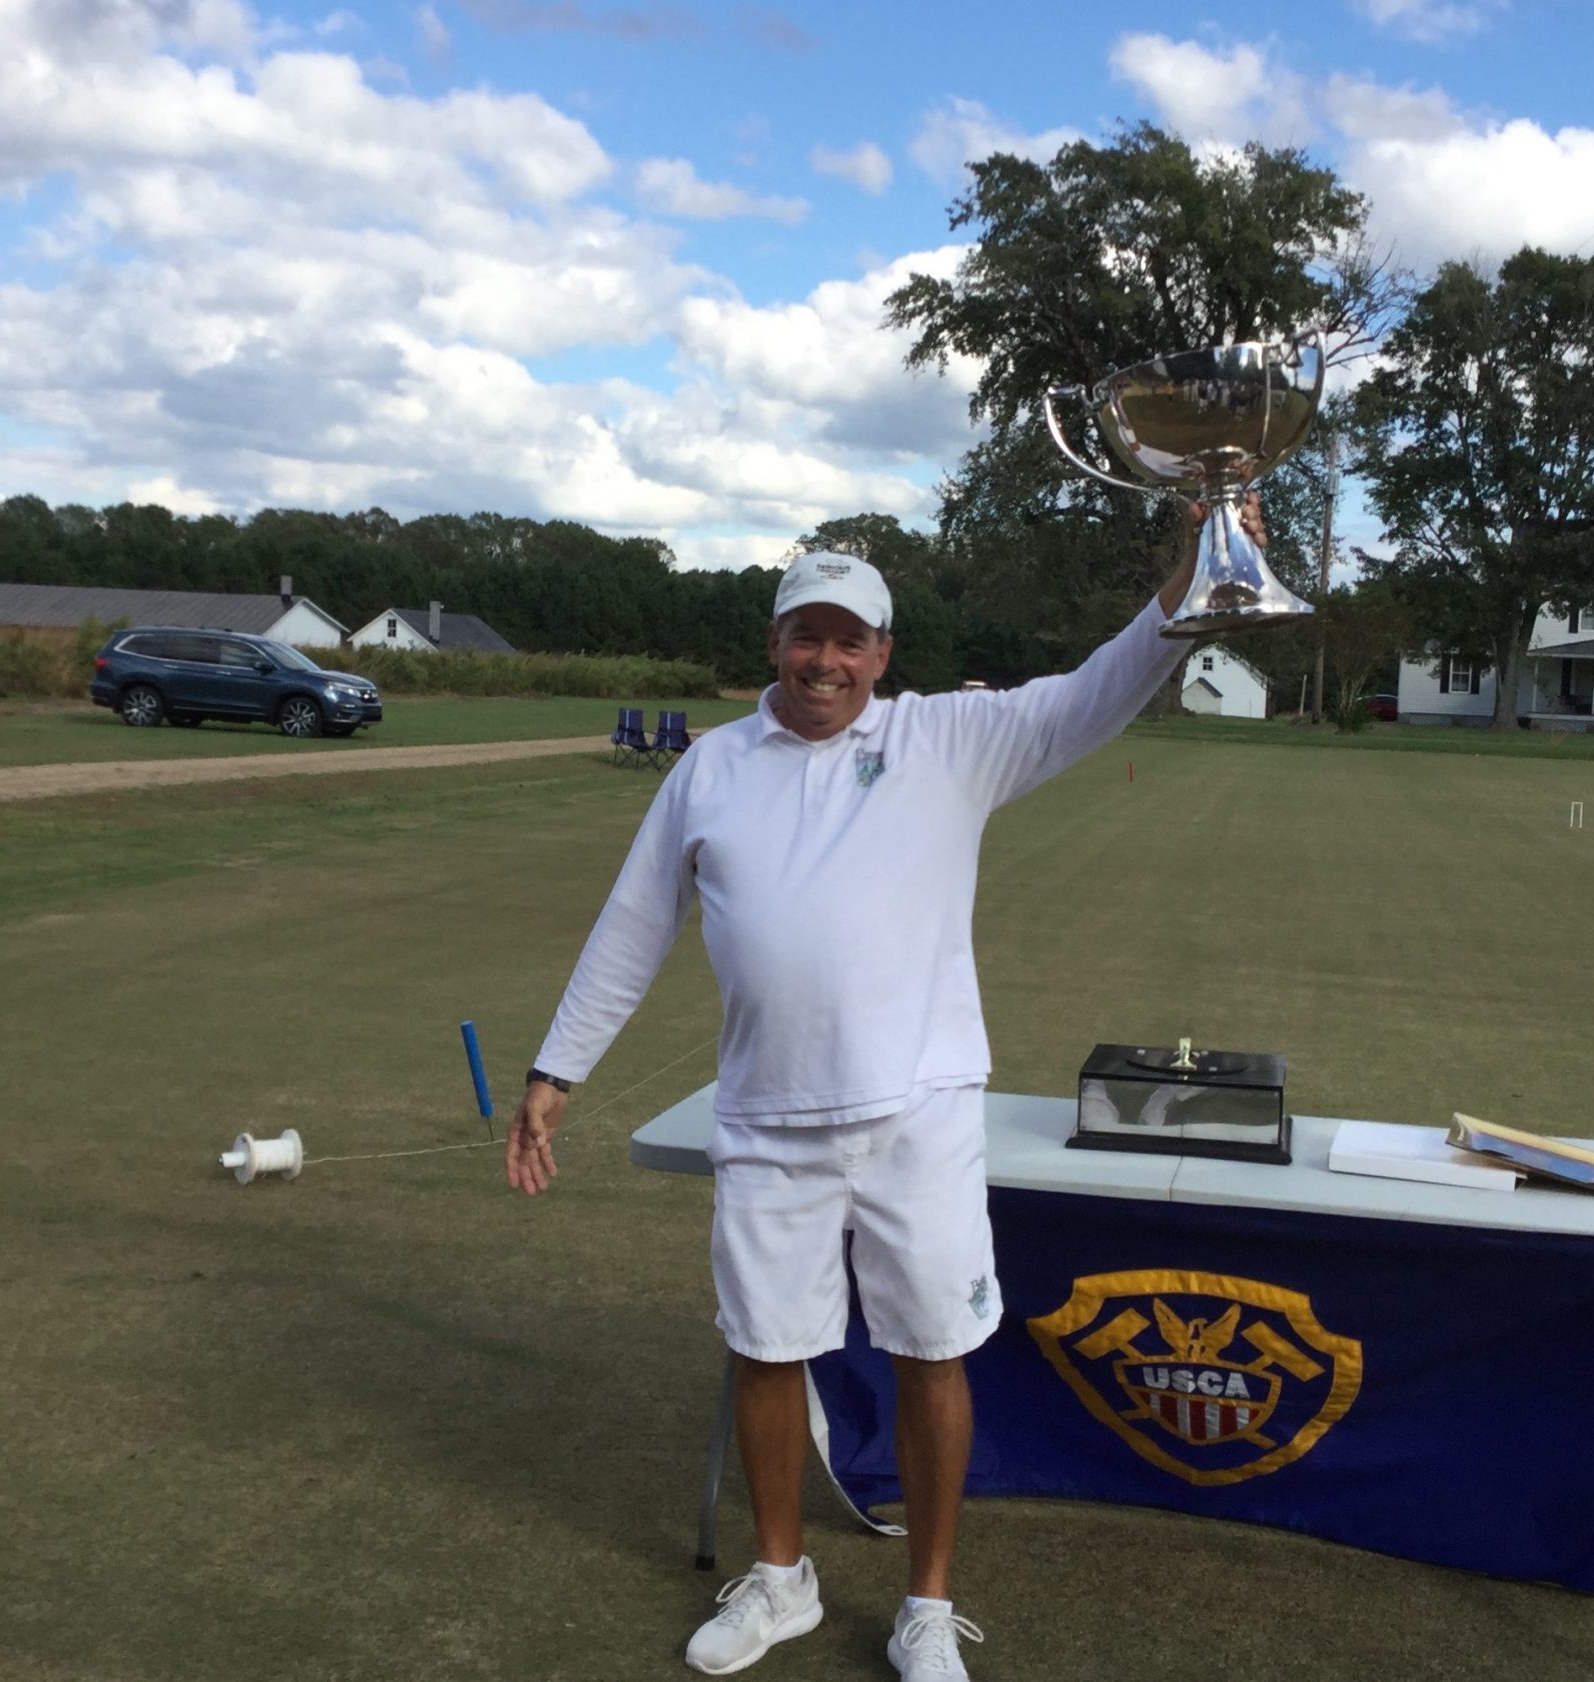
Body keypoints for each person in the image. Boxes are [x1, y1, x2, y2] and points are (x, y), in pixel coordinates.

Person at [504, 498, 1261, 1680]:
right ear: (773, 643)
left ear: (882, 654)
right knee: (764, 1349)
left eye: (849, 639)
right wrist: (558, 1068)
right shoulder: (708, 769)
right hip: (764, 1114)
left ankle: (924, 1601)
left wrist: (1194, 568)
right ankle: (778, 1578)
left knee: (931, 1350)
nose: (825, 660)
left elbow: (1101, 684)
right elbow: (632, 927)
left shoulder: (947, 740)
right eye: (806, 634)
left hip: (920, 1111)